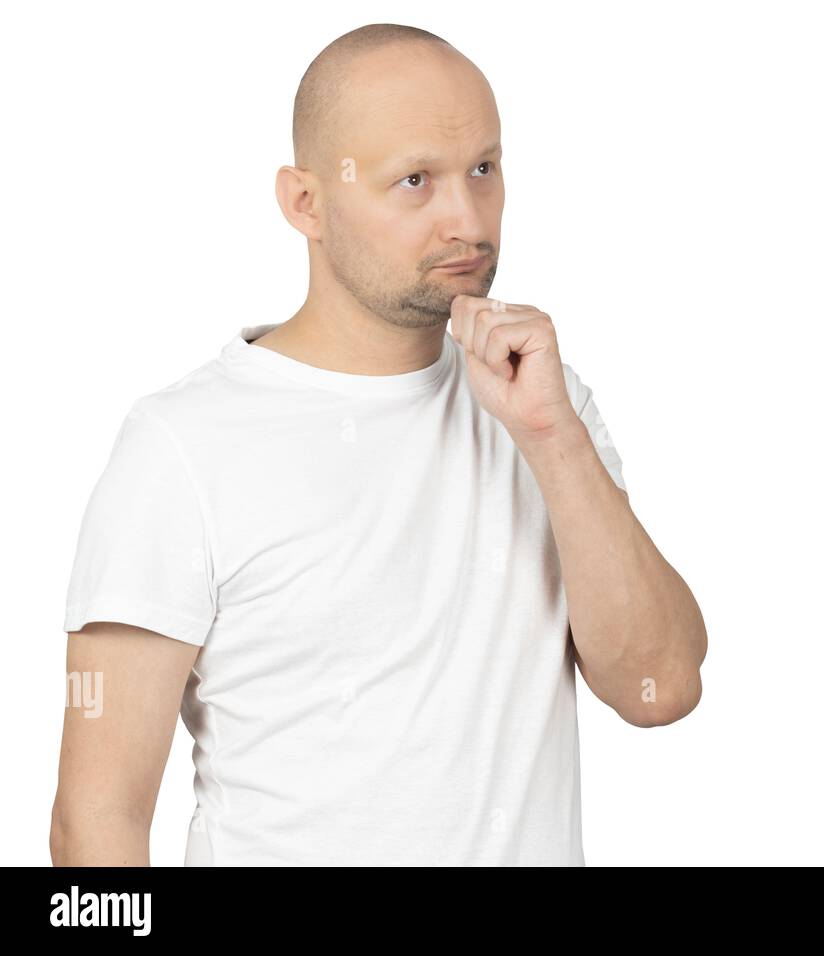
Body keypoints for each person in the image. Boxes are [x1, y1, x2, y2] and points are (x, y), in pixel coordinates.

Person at [50, 23, 707, 867]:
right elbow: (94, 821)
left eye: (483, 169)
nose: (466, 220)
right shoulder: (183, 446)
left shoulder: (549, 406)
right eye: (413, 180)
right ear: (305, 203)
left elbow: (661, 689)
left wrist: (551, 438)